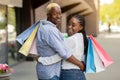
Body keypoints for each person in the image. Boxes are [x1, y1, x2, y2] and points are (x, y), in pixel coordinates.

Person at [36, 3, 85, 80]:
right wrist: (80, 64)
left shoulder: (45, 28)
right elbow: (63, 53)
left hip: (49, 71)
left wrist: (41, 60)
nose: (59, 16)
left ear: (81, 27)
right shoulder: (82, 37)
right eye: (55, 14)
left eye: (60, 13)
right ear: (48, 15)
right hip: (50, 73)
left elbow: (62, 53)